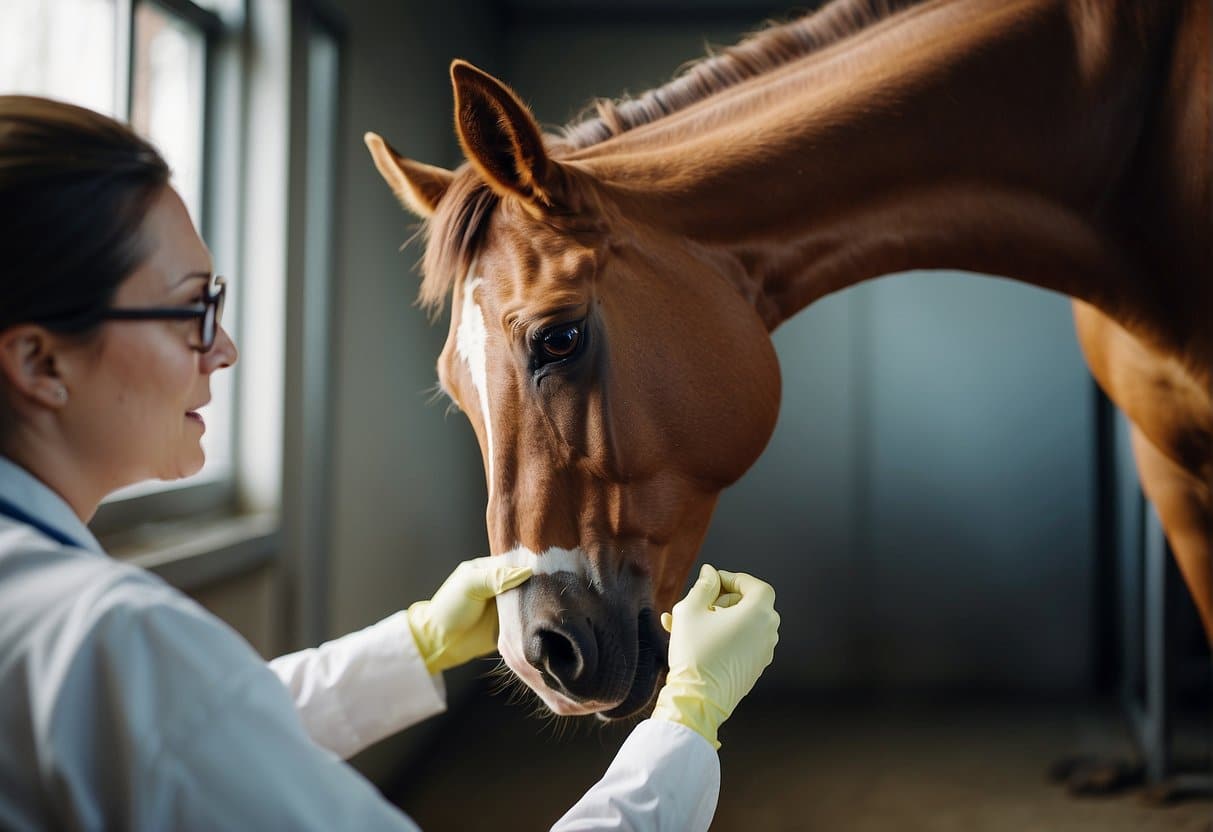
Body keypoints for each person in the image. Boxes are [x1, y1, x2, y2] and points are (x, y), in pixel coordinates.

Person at [0, 95, 781, 831]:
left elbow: (169, 738)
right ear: (39, 363)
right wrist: (688, 719)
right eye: (192, 309)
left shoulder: (50, 621)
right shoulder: (112, 638)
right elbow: (168, 717)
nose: (225, 349)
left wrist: (415, 645)